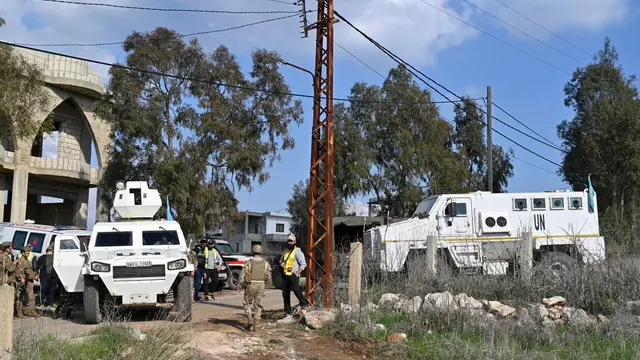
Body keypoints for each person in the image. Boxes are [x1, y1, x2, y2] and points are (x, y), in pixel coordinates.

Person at [238, 244, 271, 332]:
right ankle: (255, 326)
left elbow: (243, 274)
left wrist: (240, 285)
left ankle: (249, 319)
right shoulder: (266, 263)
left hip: (250, 284)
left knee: (247, 303)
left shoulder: (249, 262)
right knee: (258, 305)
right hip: (261, 285)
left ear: (253, 251)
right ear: (261, 252)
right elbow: (268, 276)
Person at [280, 234, 308, 318]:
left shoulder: (298, 252)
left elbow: (303, 264)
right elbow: (281, 260)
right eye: (288, 241)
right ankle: (287, 311)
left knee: (296, 289)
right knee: (285, 293)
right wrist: (281, 263)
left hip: (294, 274)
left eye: (291, 241)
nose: (290, 242)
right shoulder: (285, 251)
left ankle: (303, 304)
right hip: (285, 274)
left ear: (295, 242)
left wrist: (298, 272)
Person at [16, 245, 38, 318]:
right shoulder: (19, 261)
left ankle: (33, 312)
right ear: (22, 253)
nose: (28, 254)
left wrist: (34, 276)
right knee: (20, 297)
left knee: (31, 297)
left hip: (29, 280)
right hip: (22, 281)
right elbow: (18, 271)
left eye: (29, 253)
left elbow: (29, 270)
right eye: (26, 253)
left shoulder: (28, 261)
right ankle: (19, 312)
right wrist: (21, 278)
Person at [35, 247, 58, 311]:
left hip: (53, 277)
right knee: (43, 290)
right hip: (44, 277)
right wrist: (37, 274)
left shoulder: (55, 258)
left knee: (51, 291)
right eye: (48, 251)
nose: (49, 252)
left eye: (51, 251)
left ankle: (50, 304)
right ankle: (40, 304)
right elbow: (37, 267)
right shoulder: (42, 258)